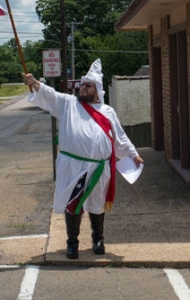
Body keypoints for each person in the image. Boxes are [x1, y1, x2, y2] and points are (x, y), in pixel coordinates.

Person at [22, 59, 143, 259]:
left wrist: (134, 155)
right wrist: (33, 82)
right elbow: (49, 95)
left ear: (97, 90)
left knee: (97, 203)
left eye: (88, 86)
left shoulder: (107, 112)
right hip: (72, 166)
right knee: (73, 203)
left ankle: (98, 239)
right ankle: (72, 243)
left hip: (99, 167)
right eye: (82, 85)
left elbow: (120, 138)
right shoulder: (69, 104)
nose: (83, 88)